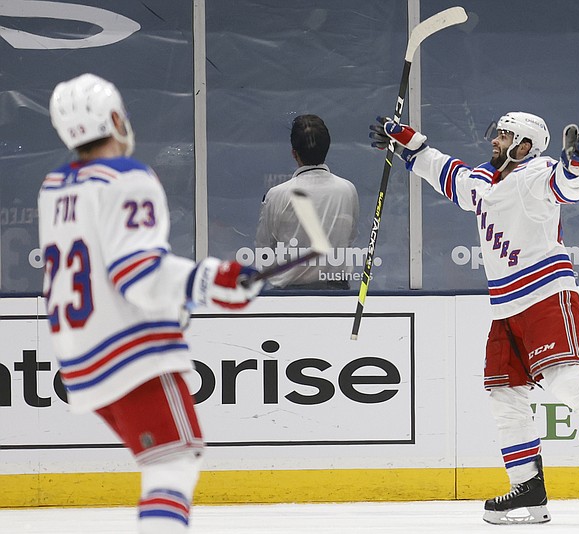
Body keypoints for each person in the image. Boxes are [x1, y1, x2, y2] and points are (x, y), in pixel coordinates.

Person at [369, 113, 579, 525]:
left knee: (564, 379)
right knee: (504, 397)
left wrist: (577, 164)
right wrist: (410, 142)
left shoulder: (537, 173)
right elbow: (450, 175)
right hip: (505, 308)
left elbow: (567, 187)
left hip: (546, 294)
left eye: (505, 136)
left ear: (524, 145)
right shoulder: (484, 180)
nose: (495, 141)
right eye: (497, 134)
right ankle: (529, 490)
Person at [39, 73, 264, 533]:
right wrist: (210, 280)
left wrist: (180, 304)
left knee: (163, 460)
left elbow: (104, 270)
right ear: (117, 119)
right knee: (174, 463)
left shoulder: (54, 186)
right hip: (130, 354)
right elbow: (137, 275)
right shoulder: (129, 177)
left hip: (78, 356)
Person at [256, 114, 359, 289]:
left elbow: (263, 251)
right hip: (338, 296)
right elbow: (350, 238)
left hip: (288, 297)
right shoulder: (348, 190)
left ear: (294, 153)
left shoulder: (277, 194)